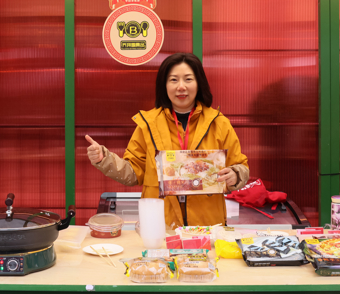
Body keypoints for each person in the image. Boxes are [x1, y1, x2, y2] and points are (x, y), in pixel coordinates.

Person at [86, 52, 249, 227]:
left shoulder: (219, 123)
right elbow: (134, 173)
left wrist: (235, 174)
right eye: (173, 80)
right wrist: (104, 159)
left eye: (188, 79)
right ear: (164, 85)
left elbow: (241, 166)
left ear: (199, 83)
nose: (181, 87)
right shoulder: (148, 124)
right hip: (160, 227)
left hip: (207, 227)